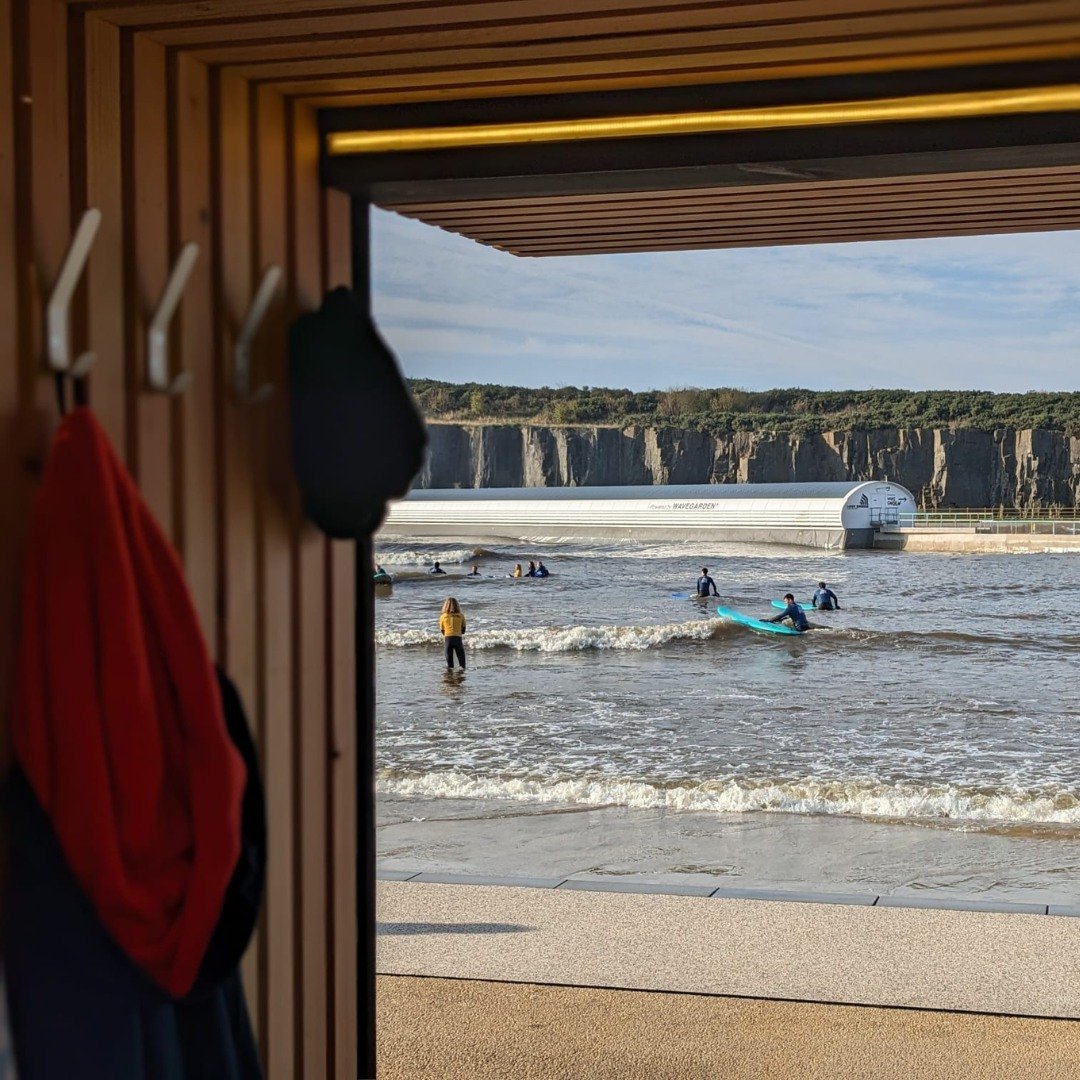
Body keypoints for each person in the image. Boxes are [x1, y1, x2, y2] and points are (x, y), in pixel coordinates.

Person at [439, 597, 467, 670]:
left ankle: (450, 680)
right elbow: (463, 630)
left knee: (450, 666)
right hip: (458, 640)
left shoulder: (443, 616)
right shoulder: (461, 615)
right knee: (462, 665)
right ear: (457, 605)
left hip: (448, 640)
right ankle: (460, 679)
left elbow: (442, 630)